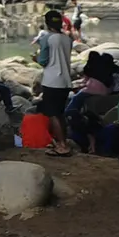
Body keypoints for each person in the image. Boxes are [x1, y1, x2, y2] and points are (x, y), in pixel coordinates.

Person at [36, 10, 74, 158]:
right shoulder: (67, 39)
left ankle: (62, 145)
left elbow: (43, 61)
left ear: (47, 23)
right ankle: (62, 141)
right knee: (60, 113)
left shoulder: (47, 38)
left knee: (52, 114)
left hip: (52, 81)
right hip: (65, 81)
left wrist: (36, 59)